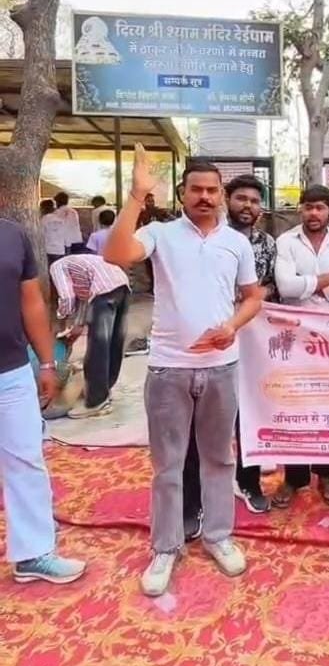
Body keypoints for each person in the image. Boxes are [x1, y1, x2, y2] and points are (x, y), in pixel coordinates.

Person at [104, 146, 263, 597]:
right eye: (197, 189)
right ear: (182, 193)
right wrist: (137, 195)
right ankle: (166, 547)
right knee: (168, 465)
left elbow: (253, 296)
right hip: (169, 369)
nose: (205, 197)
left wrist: (232, 326)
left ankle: (219, 536)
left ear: (222, 195)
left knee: (220, 459)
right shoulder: (160, 233)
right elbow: (116, 254)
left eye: (213, 190)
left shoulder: (236, 243)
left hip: (220, 368)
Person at [183, 174, 277, 528]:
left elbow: (270, 286)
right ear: (226, 198)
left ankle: (248, 481)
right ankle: (194, 499)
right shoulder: (202, 237)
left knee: (250, 412)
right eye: (241, 198)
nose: (247, 206)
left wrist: (249, 301)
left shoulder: (267, 243)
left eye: (254, 200)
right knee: (199, 419)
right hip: (205, 339)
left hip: (252, 338)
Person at [0, 216, 86, 584]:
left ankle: (33, 553)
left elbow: (31, 301)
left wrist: (47, 362)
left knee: (26, 459)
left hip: (12, 370)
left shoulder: (11, 234)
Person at [272, 184, 329, 509]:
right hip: (294, 335)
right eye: (308, 207)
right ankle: (294, 477)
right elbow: (285, 287)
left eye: (320, 207)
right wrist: (327, 280)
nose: (313, 213)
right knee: (294, 405)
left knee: (328, 405)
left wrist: (310, 286)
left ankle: (326, 474)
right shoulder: (286, 241)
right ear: (300, 209)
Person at [49, 251, 130, 419]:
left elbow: (67, 297)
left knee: (97, 348)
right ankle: (105, 391)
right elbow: (85, 301)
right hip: (122, 286)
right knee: (113, 343)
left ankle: (96, 401)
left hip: (104, 291)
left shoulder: (56, 267)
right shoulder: (79, 266)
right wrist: (78, 325)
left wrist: (61, 320)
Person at [40, 199, 65, 269]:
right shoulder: (60, 219)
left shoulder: (44, 219)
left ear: (43, 208)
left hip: (49, 250)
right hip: (60, 250)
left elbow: (41, 235)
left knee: (50, 270)